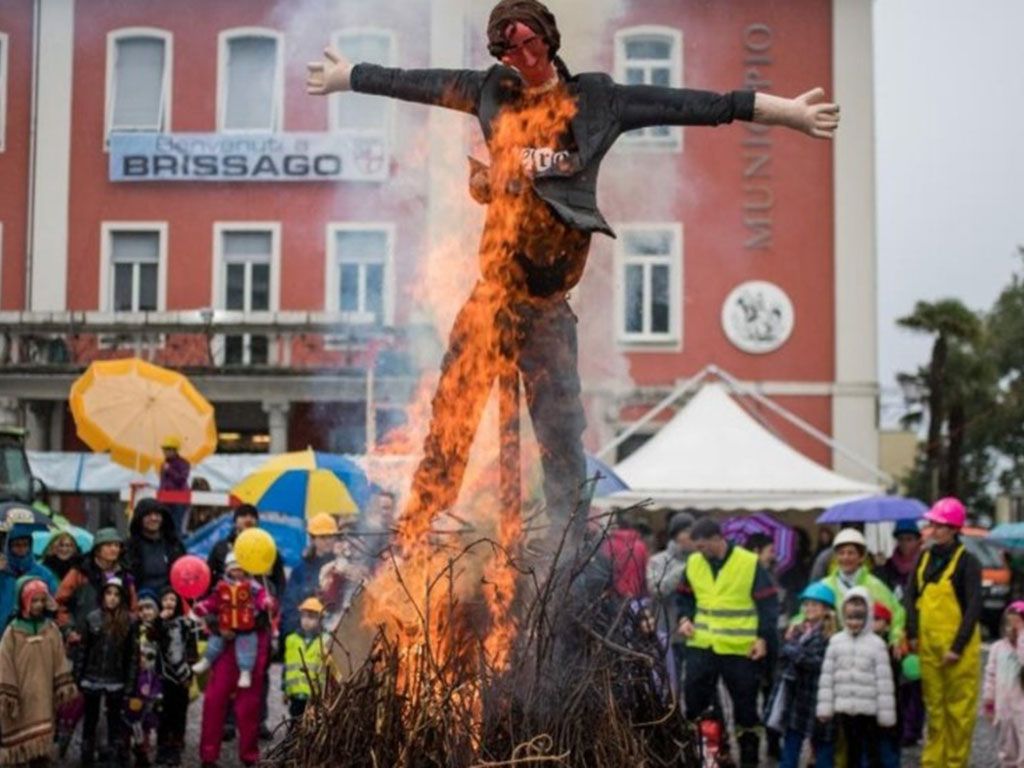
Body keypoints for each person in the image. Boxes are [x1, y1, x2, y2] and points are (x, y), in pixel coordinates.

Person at [306, 0, 839, 546]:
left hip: (548, 307)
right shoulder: (491, 91)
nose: (522, 57)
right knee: (452, 416)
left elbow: (700, 105)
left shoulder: (597, 102)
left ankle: (566, 550)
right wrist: (350, 76)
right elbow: (413, 82)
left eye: (530, 43)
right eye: (509, 50)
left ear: (549, 40)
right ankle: (417, 532)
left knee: (562, 437)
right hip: (494, 296)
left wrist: (787, 113)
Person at [675, 517, 779, 767]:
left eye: (702, 546)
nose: (699, 552)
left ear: (717, 539)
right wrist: (684, 618)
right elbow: (684, 597)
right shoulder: (694, 562)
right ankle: (708, 757)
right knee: (695, 705)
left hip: (740, 648)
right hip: (702, 645)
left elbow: (768, 604)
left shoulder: (748, 562)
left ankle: (750, 760)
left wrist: (762, 638)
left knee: (746, 709)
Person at [904, 497, 982, 768]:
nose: (934, 530)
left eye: (940, 525)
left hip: (958, 651)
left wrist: (957, 647)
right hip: (928, 647)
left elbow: (973, 607)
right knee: (935, 709)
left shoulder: (968, 562)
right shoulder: (924, 557)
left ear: (953, 529)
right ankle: (932, 762)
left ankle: (955, 762)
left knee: (958, 712)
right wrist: (912, 633)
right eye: (932, 525)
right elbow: (910, 596)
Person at [197, 569, 272, 768]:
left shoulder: (262, 583)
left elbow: (269, 615)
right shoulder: (220, 585)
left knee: (249, 706)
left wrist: (244, 624)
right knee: (214, 701)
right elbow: (209, 609)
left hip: (252, 649)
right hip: (224, 648)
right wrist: (219, 626)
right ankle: (208, 756)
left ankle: (250, 756)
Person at [816, 587, 896, 768]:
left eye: (859, 618)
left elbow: (884, 683)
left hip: (869, 709)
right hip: (844, 708)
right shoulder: (836, 642)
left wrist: (886, 716)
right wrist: (824, 709)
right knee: (850, 750)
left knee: (871, 751)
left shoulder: (877, 645)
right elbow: (827, 678)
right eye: (850, 618)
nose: (854, 623)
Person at [0, 576, 77, 766]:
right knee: (19, 745)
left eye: (42, 600)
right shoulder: (12, 632)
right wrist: (8, 693)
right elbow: (4, 663)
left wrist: (62, 684)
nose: (39, 605)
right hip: (20, 695)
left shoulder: (50, 629)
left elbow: (59, 658)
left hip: (43, 694)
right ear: (23, 601)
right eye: (34, 600)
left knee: (42, 746)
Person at [766, 581, 836, 768]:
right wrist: (790, 649)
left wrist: (795, 653)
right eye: (806, 604)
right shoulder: (798, 629)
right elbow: (783, 655)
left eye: (815, 604)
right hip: (797, 696)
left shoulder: (830, 635)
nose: (809, 608)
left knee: (823, 744)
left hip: (819, 696)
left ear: (826, 609)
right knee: (791, 741)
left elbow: (820, 663)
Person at [810, 528, 906, 652]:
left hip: (867, 650)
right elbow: (806, 611)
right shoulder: (825, 585)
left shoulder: (874, 585)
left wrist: (896, 638)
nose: (846, 557)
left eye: (851, 553)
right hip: (832, 649)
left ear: (861, 557)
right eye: (841, 553)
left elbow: (896, 612)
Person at [74, 576, 135, 767]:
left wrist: (130, 683)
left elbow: (132, 656)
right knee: (90, 717)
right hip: (92, 675)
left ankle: (113, 752)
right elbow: (83, 650)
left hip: (116, 677)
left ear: (122, 597)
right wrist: (77, 676)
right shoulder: (92, 618)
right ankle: (86, 752)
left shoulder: (129, 621)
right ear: (102, 596)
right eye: (109, 593)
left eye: (117, 594)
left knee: (114, 718)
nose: (112, 598)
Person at [192, 552, 271, 690]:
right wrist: (203, 606)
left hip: (246, 624)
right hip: (225, 622)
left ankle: (245, 671)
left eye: (240, 569)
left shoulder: (253, 586)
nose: (237, 572)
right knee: (215, 640)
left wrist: (265, 602)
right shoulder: (221, 586)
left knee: (247, 645)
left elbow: (261, 596)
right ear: (228, 570)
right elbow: (213, 601)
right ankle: (206, 660)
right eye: (234, 569)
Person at [56, 527, 137, 635]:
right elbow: (60, 602)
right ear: (97, 550)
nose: (114, 549)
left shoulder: (125, 575)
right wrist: (68, 629)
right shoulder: (80, 572)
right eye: (108, 545)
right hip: (82, 635)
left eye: (117, 545)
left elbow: (133, 606)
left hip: (117, 636)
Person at [746, 532, 782, 760]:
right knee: (753, 696)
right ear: (756, 551)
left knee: (772, 694)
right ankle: (757, 745)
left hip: (770, 641)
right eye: (770, 550)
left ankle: (773, 742)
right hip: (754, 642)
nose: (774, 555)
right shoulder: (749, 574)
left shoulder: (768, 572)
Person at [645, 511, 694, 681]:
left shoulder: (702, 560)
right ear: (676, 535)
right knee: (671, 681)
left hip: (696, 633)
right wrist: (683, 570)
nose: (691, 536)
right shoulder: (658, 561)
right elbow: (656, 589)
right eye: (687, 531)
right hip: (668, 631)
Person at [155, 587, 196, 768]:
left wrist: (190, 672)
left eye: (172, 599)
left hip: (182, 676)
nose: (169, 603)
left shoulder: (186, 623)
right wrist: (159, 620)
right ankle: (162, 747)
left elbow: (192, 650)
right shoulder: (158, 623)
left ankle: (176, 747)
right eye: (165, 599)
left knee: (179, 713)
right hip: (164, 676)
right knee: (163, 713)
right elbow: (152, 636)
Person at [280, 513, 338, 639]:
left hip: (333, 637)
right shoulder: (300, 571)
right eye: (322, 537)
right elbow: (289, 606)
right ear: (312, 539)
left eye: (331, 536)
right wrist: (299, 630)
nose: (328, 541)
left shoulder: (340, 569)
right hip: (304, 637)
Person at [983, 600, 1024, 768]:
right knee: (1006, 747)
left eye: (1017, 624)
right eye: (1009, 624)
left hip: (1021, 708)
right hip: (1003, 708)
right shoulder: (997, 648)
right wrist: (989, 700)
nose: (1011, 629)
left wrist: (1022, 637)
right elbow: (990, 675)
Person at [126, 590, 163, 767]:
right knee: (133, 714)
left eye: (149, 608)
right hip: (137, 679)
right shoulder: (133, 630)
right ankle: (132, 746)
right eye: (141, 609)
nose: (145, 612)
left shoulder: (161, 630)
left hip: (154, 679)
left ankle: (144, 750)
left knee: (150, 715)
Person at [0, 523, 57, 632]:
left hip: (34, 630)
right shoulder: (2, 571)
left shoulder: (43, 573)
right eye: (16, 545)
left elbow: (53, 601)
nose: (22, 549)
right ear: (8, 546)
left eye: (25, 544)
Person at [125, 498, 186, 595]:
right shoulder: (130, 547)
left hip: (170, 598)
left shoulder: (174, 545)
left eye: (157, 514)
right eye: (148, 515)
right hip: (140, 597)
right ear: (139, 519)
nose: (153, 518)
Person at [282, 597, 329, 724]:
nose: (306, 621)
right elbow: (287, 667)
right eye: (304, 616)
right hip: (296, 693)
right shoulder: (291, 640)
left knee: (311, 723)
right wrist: (285, 690)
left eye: (312, 617)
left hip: (314, 695)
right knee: (295, 721)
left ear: (320, 620)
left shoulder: (324, 642)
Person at [871, 601, 902, 768]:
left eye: (877, 619)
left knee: (887, 750)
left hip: (889, 709)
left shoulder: (893, 649)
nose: (872, 623)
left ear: (887, 625)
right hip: (868, 709)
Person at [601, 514, 649, 599]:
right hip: (636, 594)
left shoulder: (609, 544)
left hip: (615, 594)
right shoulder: (641, 545)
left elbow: (604, 570)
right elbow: (646, 571)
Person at [876, 519, 922, 601]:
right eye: (901, 539)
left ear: (918, 541)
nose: (904, 543)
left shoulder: (924, 563)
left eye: (909, 539)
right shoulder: (889, 565)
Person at [158, 436, 190, 536]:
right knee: (164, 527)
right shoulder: (164, 464)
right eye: (164, 449)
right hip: (165, 500)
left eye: (168, 449)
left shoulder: (183, 463)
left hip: (179, 501)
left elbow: (181, 480)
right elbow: (163, 482)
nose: (165, 452)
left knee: (176, 526)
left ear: (175, 450)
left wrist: (169, 470)